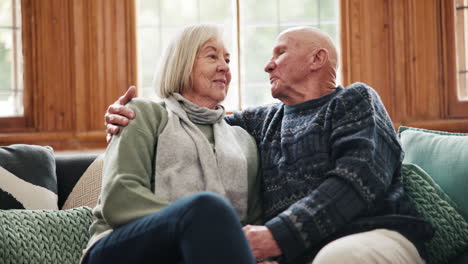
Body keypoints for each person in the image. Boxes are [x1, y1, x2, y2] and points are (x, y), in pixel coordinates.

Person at [105, 26, 434, 264]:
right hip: (288, 253)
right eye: (213, 57)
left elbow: (357, 180)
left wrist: (276, 236)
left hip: (368, 237)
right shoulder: (258, 124)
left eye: (280, 53)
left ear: (316, 59)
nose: (267, 65)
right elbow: (195, 122)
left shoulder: (355, 100)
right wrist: (123, 120)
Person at [82, 24, 264, 264]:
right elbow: (120, 198)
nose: (225, 67)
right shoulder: (141, 114)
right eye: (212, 56)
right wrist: (200, 225)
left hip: (203, 254)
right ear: (182, 63)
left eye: (227, 60)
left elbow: (253, 223)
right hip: (120, 245)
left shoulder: (243, 140)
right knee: (206, 208)